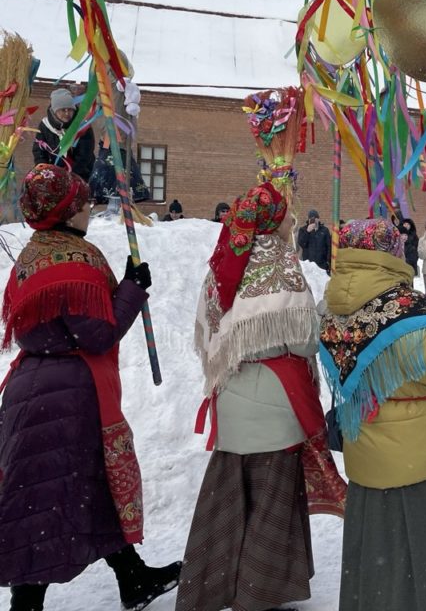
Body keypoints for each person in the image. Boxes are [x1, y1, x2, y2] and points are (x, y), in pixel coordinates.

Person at [0, 164, 180, 611]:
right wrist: (133, 290)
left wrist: (122, 286)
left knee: (77, 487)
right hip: (69, 396)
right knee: (52, 495)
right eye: (82, 203)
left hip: (32, 390)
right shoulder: (75, 260)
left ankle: (132, 577)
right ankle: (27, 601)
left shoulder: (34, 255)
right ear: (66, 210)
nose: (89, 208)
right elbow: (96, 333)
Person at [177, 183, 346, 611]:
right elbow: (304, 340)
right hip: (276, 405)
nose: (292, 222)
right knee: (271, 500)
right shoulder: (281, 264)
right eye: (287, 216)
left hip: (231, 400)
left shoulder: (221, 265)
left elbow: (208, 335)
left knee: (229, 498)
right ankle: (259, 590)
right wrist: (322, 315)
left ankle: (211, 582)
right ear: (273, 222)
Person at [318, 219, 426, 610]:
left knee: (377, 555)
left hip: (366, 449)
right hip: (420, 458)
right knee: (423, 556)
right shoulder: (406, 309)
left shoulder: (330, 306)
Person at [32, 87, 96, 183]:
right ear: (54, 111)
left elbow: (84, 156)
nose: (67, 113)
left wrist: (70, 175)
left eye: (70, 110)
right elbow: (39, 150)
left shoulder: (83, 126)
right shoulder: (45, 126)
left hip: (81, 174)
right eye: (63, 110)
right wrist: (44, 170)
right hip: (53, 172)